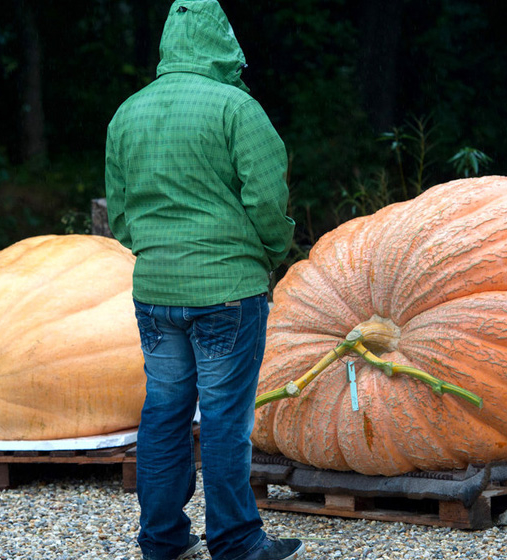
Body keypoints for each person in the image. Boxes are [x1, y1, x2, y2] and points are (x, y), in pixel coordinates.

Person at [104, 1, 302, 560]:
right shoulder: (238, 108)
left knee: (163, 415)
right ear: (224, 41)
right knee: (223, 421)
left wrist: (159, 249)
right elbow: (267, 199)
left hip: (156, 292)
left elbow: (120, 215)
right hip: (227, 293)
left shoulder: (127, 113)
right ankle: (237, 543)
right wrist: (268, 251)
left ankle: (161, 540)